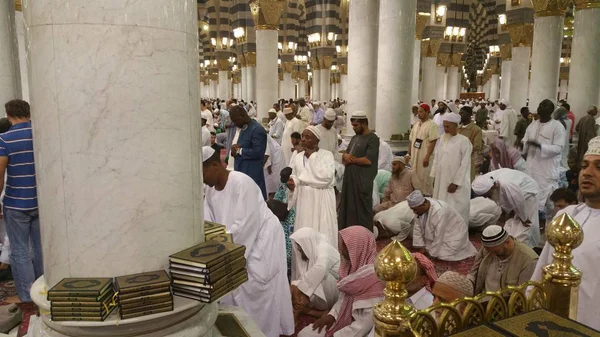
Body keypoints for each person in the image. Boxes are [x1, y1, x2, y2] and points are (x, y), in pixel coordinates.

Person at [202, 146, 294, 337]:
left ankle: (265, 331)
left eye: (203, 173)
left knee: (258, 288)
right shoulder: (210, 191)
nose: (201, 179)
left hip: (261, 239)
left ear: (214, 165)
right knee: (236, 286)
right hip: (235, 243)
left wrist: (222, 250)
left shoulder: (242, 183)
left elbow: (245, 226)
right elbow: (209, 223)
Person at [530, 136, 600, 330]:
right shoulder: (567, 215)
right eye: (585, 166)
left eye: (598, 167)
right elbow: (542, 270)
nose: (587, 173)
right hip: (552, 323)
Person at [300, 226, 384, 337]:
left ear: (359, 248)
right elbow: (343, 299)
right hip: (343, 319)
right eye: (343, 244)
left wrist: (335, 335)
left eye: (347, 246)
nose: (342, 249)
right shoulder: (353, 268)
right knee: (304, 334)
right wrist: (331, 316)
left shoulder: (374, 280)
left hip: (363, 332)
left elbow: (364, 326)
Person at [0, 100, 42, 303]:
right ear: (28, 112)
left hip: (16, 203)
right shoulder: (41, 134)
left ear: (8, 115)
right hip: (41, 202)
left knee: (20, 251)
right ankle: (46, 291)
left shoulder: (4, 139)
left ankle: (27, 298)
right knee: (42, 248)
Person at [288, 127, 338, 246]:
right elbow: (295, 175)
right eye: (302, 136)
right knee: (303, 233)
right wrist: (293, 184)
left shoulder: (327, 155)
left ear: (317, 141)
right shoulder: (298, 157)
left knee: (321, 233)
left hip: (322, 200)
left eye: (307, 137)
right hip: (304, 200)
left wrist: (312, 156)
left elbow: (325, 178)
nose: (303, 140)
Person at [472, 169, 541, 248]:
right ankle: (509, 242)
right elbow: (508, 200)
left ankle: (522, 248)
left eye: (486, 194)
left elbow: (519, 202)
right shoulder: (485, 180)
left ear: (492, 186)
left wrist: (524, 218)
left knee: (526, 225)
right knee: (512, 222)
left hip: (528, 191)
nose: (485, 197)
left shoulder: (507, 184)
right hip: (517, 194)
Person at [522, 99, 566, 219]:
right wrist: (523, 148)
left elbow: (558, 148)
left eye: (545, 105)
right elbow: (525, 140)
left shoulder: (557, 127)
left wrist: (539, 146)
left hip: (546, 170)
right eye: (540, 104)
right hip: (531, 167)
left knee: (548, 200)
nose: (541, 106)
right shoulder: (533, 124)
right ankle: (533, 221)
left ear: (551, 110)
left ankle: (551, 225)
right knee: (530, 194)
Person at [338, 111, 380, 231]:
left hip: (362, 181)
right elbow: (346, 154)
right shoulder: (355, 137)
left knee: (362, 210)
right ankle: (350, 235)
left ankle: (365, 237)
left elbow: (368, 160)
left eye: (356, 125)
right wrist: (346, 157)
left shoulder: (373, 139)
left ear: (364, 123)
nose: (354, 128)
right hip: (350, 180)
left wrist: (352, 159)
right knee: (349, 208)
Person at [407, 190, 477, 261]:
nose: (414, 212)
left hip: (453, 234)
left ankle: (462, 250)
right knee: (428, 248)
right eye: (413, 209)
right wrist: (420, 246)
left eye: (415, 210)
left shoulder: (439, 211)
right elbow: (417, 228)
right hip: (437, 236)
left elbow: (439, 235)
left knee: (442, 255)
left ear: (423, 204)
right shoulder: (420, 209)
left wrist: (432, 255)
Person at [468, 226, 538, 295]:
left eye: (496, 251)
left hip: (506, 303)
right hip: (482, 299)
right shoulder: (488, 249)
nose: (491, 255)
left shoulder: (528, 260)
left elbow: (522, 294)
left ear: (507, 243)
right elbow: (473, 273)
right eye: (488, 251)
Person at [290, 228, 340, 321]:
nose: (299, 250)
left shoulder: (324, 248)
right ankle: (317, 313)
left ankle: (295, 315)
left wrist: (301, 290)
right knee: (293, 287)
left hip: (337, 290)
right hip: (326, 288)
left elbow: (321, 269)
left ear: (307, 243)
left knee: (312, 282)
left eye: (300, 247)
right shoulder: (313, 250)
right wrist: (296, 288)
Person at [431, 113, 472, 224]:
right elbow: (436, 158)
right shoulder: (442, 139)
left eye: (448, 126)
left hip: (456, 183)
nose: (445, 129)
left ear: (455, 126)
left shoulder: (464, 141)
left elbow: (465, 164)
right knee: (440, 206)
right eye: (444, 126)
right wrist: (434, 177)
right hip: (441, 180)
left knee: (456, 209)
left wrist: (456, 182)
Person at [229, 105, 268, 199]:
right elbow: (241, 146)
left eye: (235, 121)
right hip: (241, 172)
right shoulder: (244, 127)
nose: (235, 124)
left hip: (251, 174)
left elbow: (258, 152)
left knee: (253, 203)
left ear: (242, 117)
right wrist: (234, 149)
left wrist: (239, 150)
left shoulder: (257, 129)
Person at [406, 104, 439, 196]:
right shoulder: (416, 124)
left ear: (427, 112)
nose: (418, 113)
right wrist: (408, 154)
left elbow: (433, 141)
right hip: (415, 156)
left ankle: (427, 198)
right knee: (414, 177)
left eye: (421, 111)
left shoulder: (432, 125)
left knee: (425, 178)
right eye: (418, 111)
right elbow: (411, 140)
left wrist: (427, 157)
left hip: (424, 156)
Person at [458, 106, 483, 181]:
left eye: (462, 113)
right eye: (459, 113)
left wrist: (462, 149)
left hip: (467, 159)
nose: (460, 115)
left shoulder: (476, 129)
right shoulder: (457, 128)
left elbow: (477, 146)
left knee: (466, 181)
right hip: (455, 159)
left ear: (469, 114)